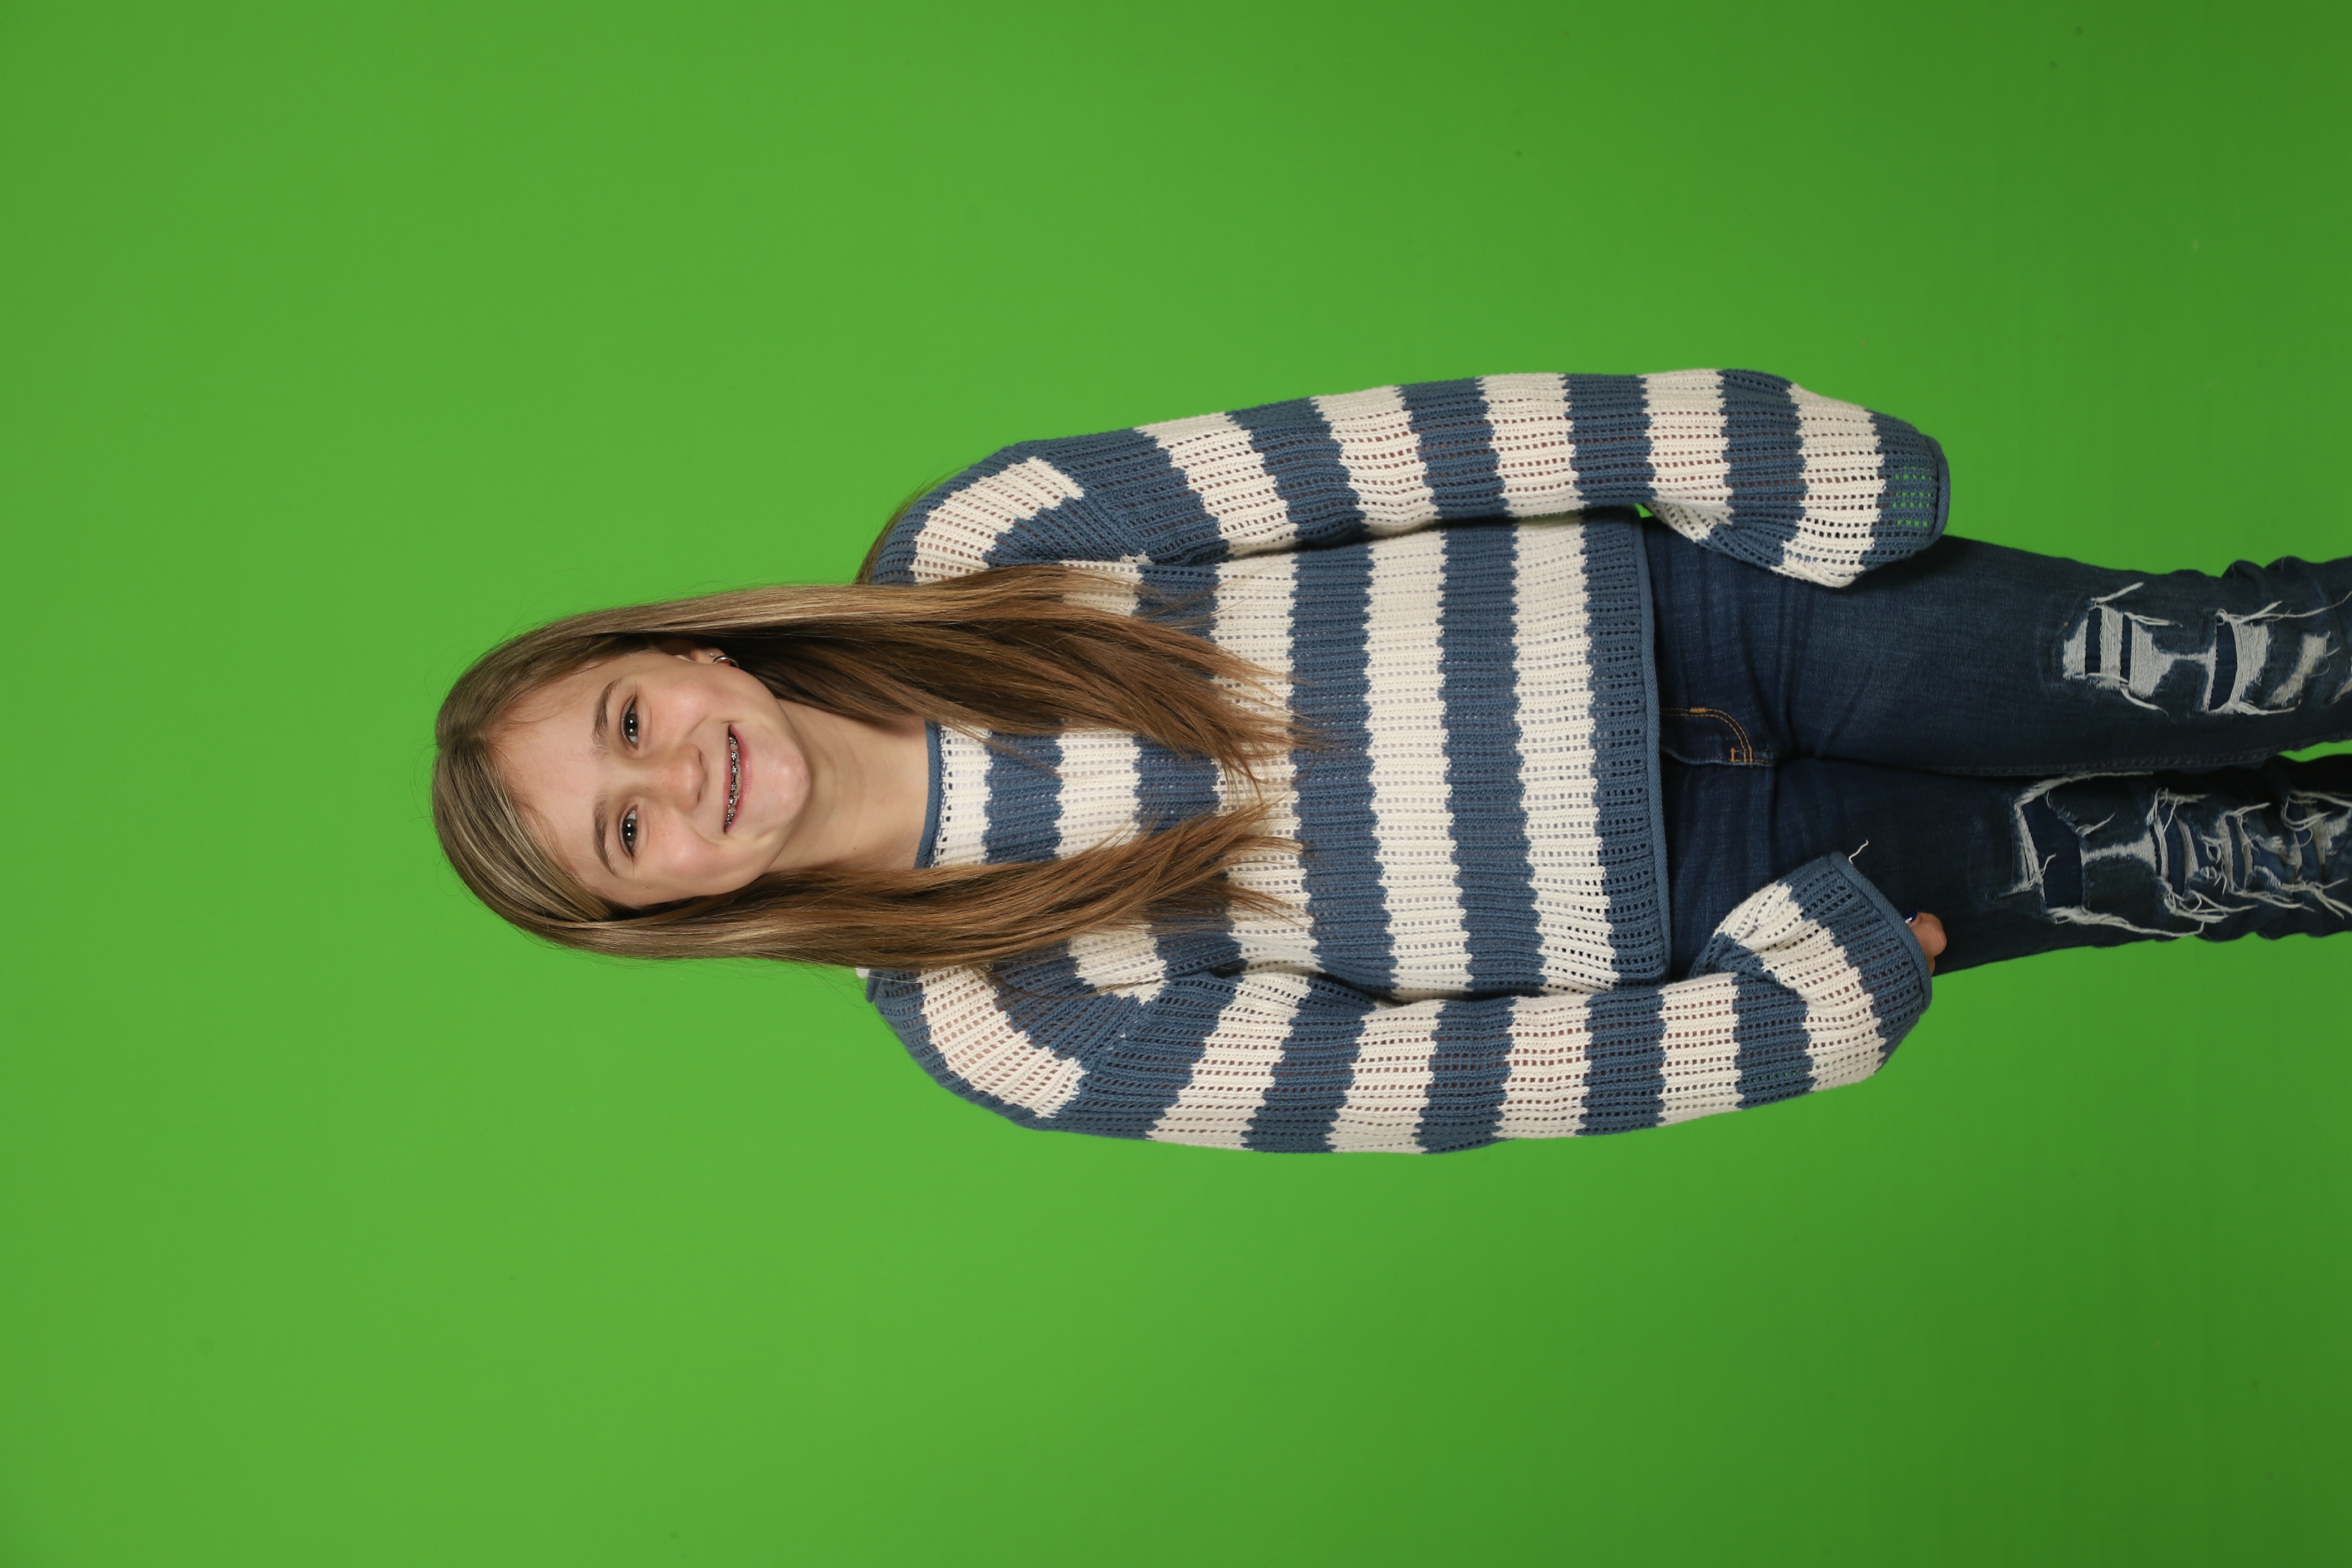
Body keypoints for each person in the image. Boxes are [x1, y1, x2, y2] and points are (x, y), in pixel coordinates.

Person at [434, 371, 2352, 1153]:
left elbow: (1386, 453)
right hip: (1729, 902)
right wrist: (1767, 1033)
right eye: (628, 835)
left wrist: (1716, 448)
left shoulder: (984, 539)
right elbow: (1412, 1087)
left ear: (680, 650)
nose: (676, 779)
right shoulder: (1000, 1021)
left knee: (2236, 662)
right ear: (672, 910)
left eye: (628, 724)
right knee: (2236, 869)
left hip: (1720, 615)